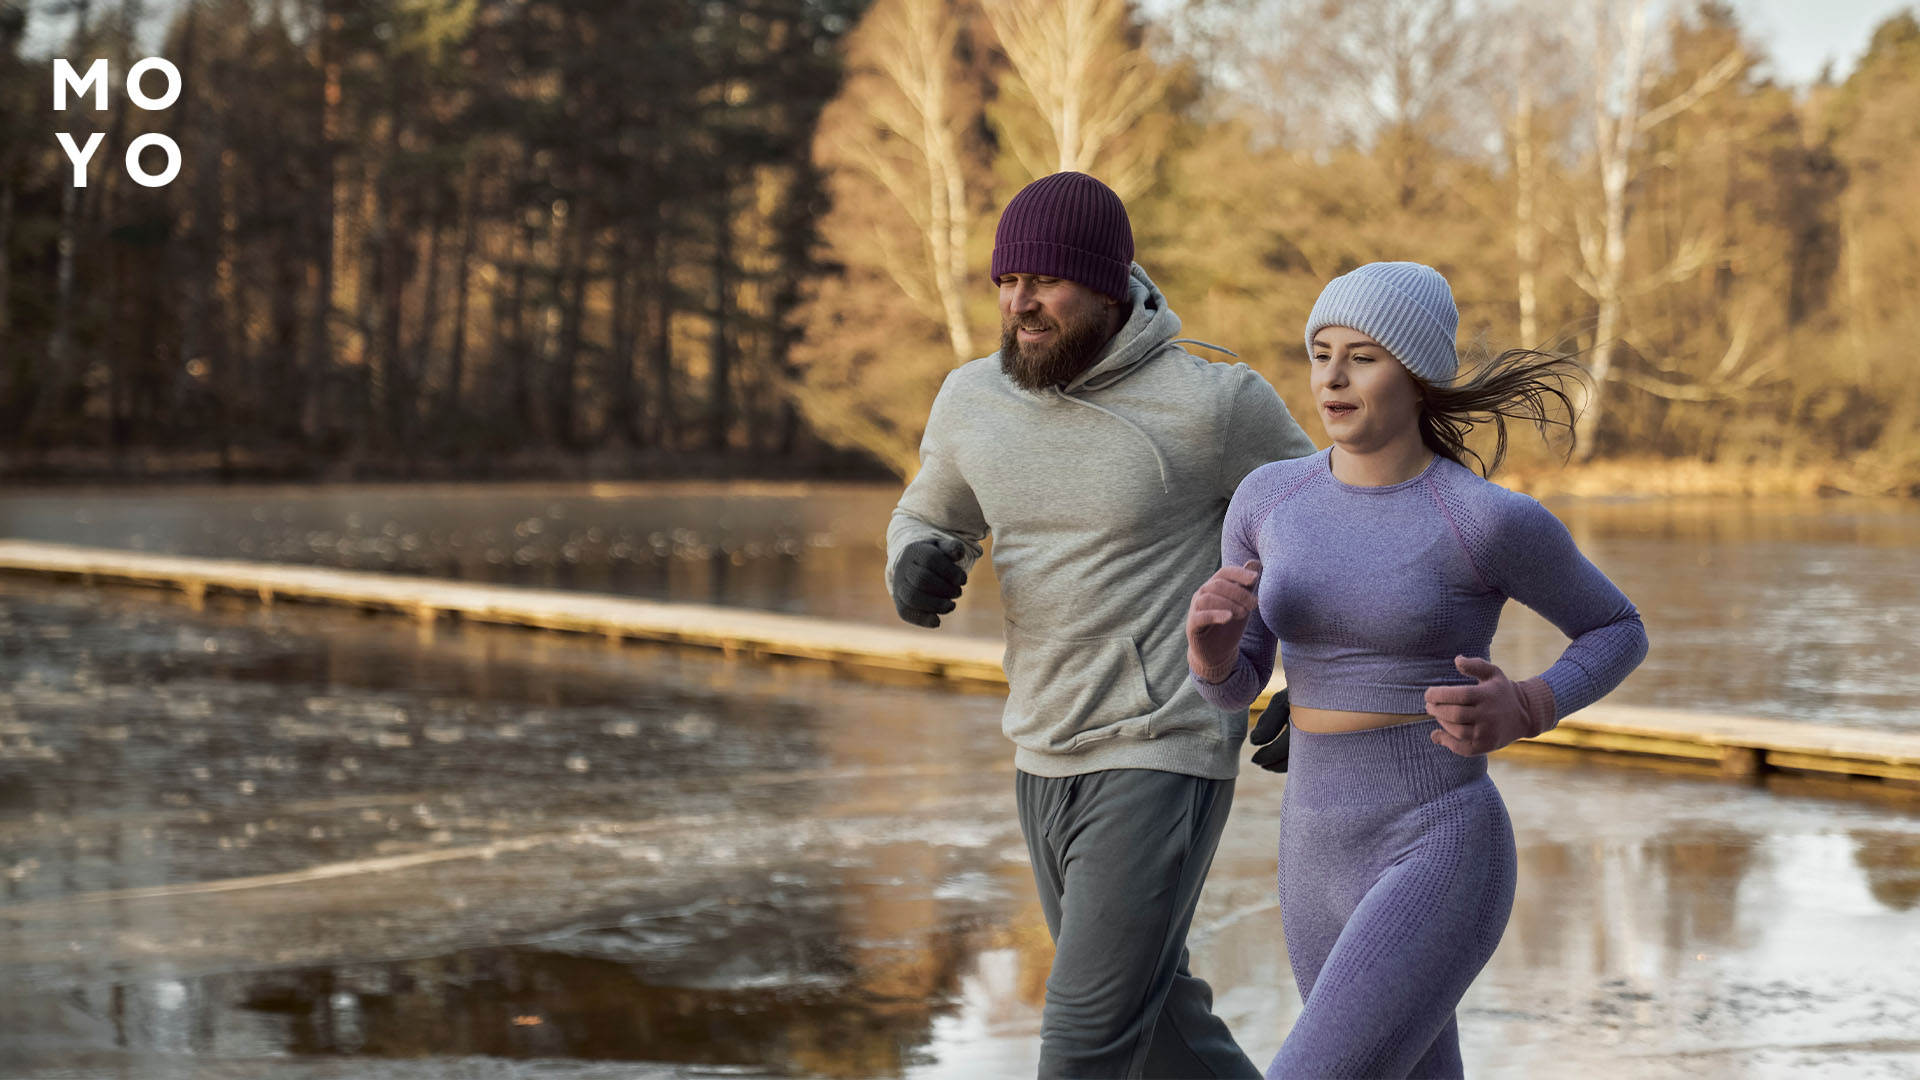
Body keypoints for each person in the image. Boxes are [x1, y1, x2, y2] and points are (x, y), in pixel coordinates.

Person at [886, 170, 1317, 1078]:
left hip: (1163, 743)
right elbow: (933, 517)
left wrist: (1310, 682)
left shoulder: (1214, 403)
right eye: (1006, 282)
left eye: (1044, 282)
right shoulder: (971, 399)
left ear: (1108, 284)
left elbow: (1326, 536)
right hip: (1041, 745)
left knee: (1083, 1044)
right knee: (1162, 1032)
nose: (1020, 303)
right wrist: (915, 563)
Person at [1184, 262, 1650, 1078]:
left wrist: (1530, 704)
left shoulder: (1483, 519)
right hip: (1313, 845)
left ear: (1417, 374)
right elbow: (1234, 687)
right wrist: (1211, 649)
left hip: (1438, 841)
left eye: (1362, 356)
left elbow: (1617, 627)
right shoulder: (1267, 501)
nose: (1331, 375)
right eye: (1321, 352)